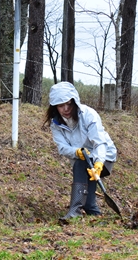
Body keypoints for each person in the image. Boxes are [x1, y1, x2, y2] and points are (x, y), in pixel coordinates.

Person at [45, 82, 117, 221]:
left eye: (69, 104)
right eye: (60, 106)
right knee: (89, 203)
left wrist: (99, 163)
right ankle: (95, 217)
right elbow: (62, 147)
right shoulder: (56, 123)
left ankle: (75, 212)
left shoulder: (88, 115)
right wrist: (76, 152)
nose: (66, 109)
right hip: (82, 157)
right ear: (55, 107)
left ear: (74, 102)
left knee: (79, 164)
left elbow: (100, 142)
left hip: (104, 156)